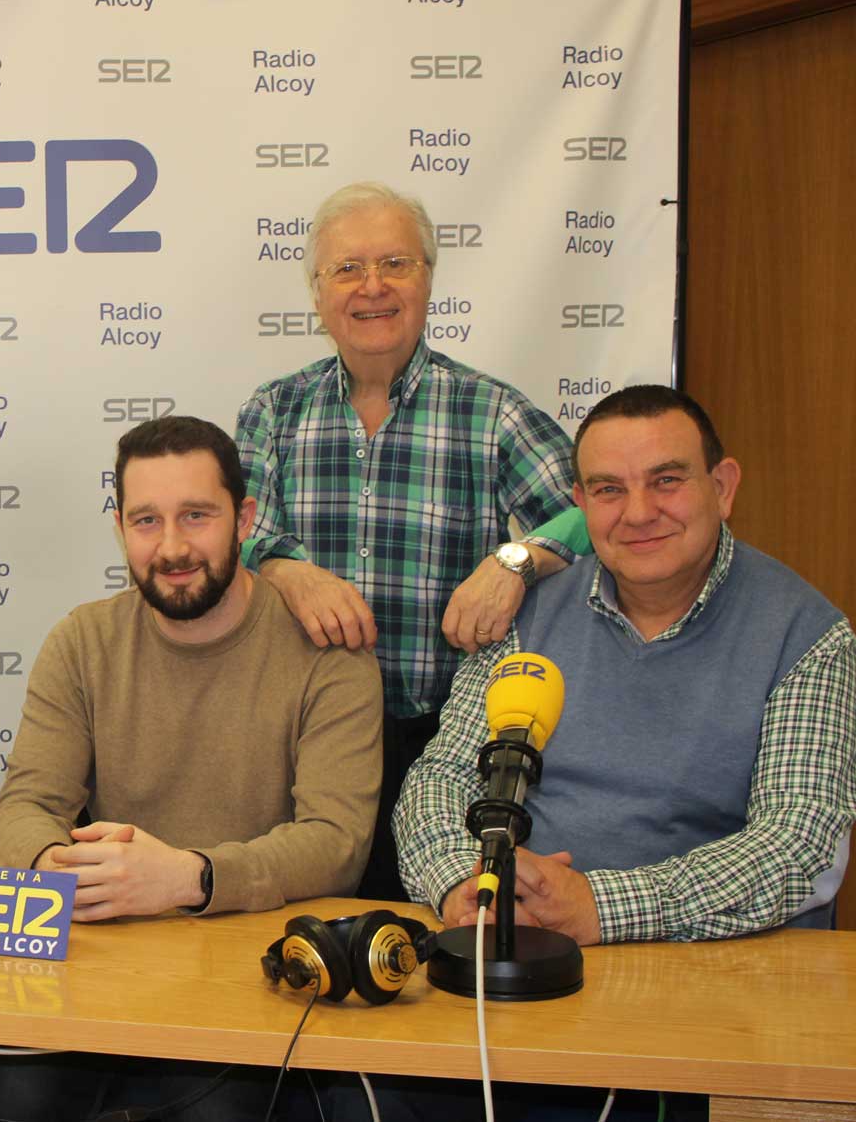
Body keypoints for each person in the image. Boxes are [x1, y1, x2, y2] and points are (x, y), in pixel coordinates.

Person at [363, 386, 856, 1122]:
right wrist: (462, 884)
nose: (638, 512)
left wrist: (601, 904)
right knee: (354, 1087)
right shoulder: (524, 617)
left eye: (667, 480)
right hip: (518, 970)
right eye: (608, 490)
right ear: (580, 504)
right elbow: (441, 776)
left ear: (722, 487)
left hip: (707, 998)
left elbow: (799, 845)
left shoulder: (806, 634)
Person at [0, 415, 382, 1120]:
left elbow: (336, 844)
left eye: (196, 515)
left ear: (244, 519)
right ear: (120, 528)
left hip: (252, 977)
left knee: (209, 1109)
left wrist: (190, 878)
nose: (170, 547)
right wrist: (57, 866)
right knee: (4, 1093)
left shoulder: (328, 651)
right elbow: (23, 807)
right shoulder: (81, 640)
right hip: (104, 970)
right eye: (146, 521)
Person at [235, 180, 588, 901]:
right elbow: (236, 533)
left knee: (436, 926)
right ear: (317, 293)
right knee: (302, 925)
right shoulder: (273, 411)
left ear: (428, 279)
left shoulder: (492, 412)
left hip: (443, 742)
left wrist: (515, 560)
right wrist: (289, 570)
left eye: (395, 264)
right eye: (347, 268)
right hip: (304, 741)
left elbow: (593, 514)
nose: (373, 287)